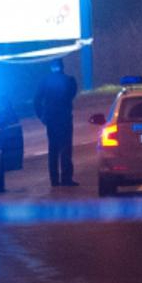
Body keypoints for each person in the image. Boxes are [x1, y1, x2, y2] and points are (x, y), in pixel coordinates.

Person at [34, 58, 79, 187]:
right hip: (64, 119)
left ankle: (54, 180)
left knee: (53, 149)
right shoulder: (69, 81)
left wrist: (42, 116)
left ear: (51, 67)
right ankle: (66, 178)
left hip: (51, 120)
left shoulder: (45, 82)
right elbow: (71, 95)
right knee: (65, 148)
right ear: (62, 67)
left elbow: (36, 100)